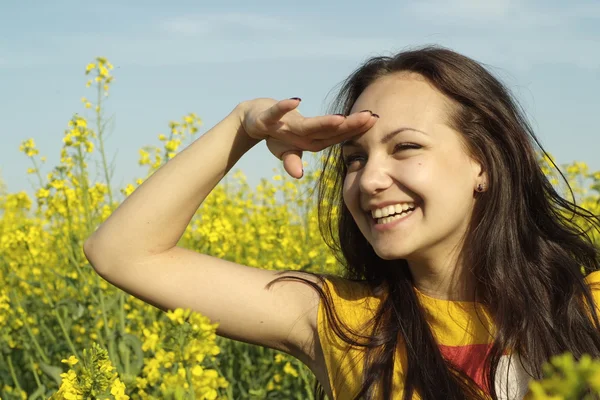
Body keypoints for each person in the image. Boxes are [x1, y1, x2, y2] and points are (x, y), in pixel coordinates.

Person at [83, 45, 600, 400]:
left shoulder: (589, 308)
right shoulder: (344, 323)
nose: (370, 179)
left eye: (406, 147)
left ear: (483, 163)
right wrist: (243, 125)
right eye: (354, 158)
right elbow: (122, 252)